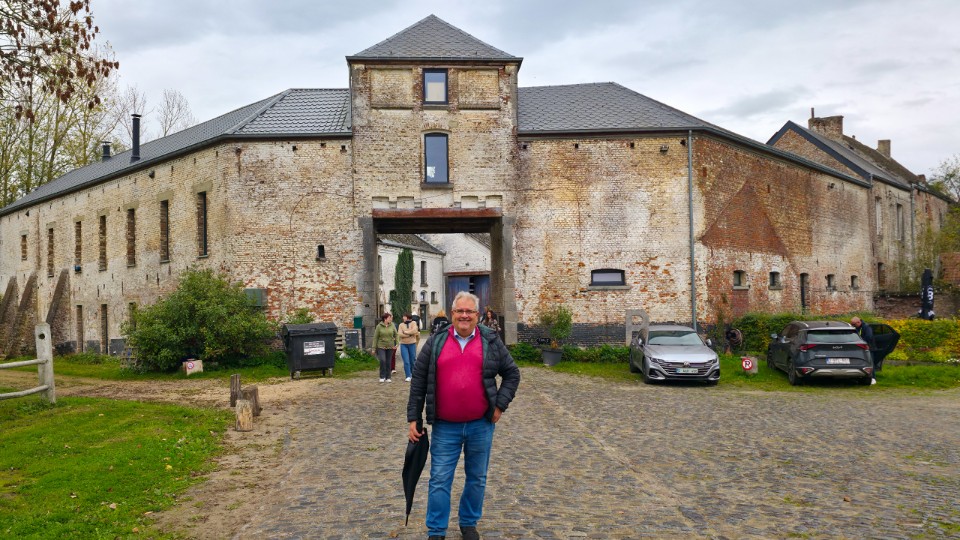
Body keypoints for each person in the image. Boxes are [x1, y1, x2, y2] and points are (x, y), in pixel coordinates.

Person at [407, 292, 521, 540]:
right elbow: (418, 380)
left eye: (469, 311)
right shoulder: (436, 342)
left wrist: (500, 405)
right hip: (445, 426)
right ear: (452, 313)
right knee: (439, 479)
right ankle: (436, 530)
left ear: (477, 315)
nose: (464, 316)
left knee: (477, 478)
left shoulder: (491, 340)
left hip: (481, 424)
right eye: (460, 311)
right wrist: (413, 417)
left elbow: (512, 373)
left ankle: (469, 523)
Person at [373, 312, 397, 383]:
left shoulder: (392, 325)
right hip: (381, 346)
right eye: (389, 318)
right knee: (383, 360)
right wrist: (373, 348)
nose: (390, 319)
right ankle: (382, 376)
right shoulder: (379, 326)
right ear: (385, 319)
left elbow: (396, 334)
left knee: (388, 362)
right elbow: (375, 337)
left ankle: (388, 377)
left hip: (390, 346)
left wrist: (397, 343)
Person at [851, 317, 876, 385]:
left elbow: (869, 336)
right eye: (852, 324)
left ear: (859, 322)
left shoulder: (866, 327)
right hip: (860, 347)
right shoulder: (857, 327)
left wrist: (862, 342)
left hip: (868, 347)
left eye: (854, 324)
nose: (853, 326)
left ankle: (873, 378)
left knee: (870, 362)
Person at [398, 313, 419, 382]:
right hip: (403, 344)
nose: (403, 318)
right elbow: (400, 334)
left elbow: (415, 331)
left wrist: (406, 332)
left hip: (412, 344)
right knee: (406, 361)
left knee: (412, 360)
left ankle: (414, 374)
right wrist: (410, 334)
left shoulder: (413, 323)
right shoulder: (401, 325)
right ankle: (408, 375)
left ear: (408, 317)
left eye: (404, 317)